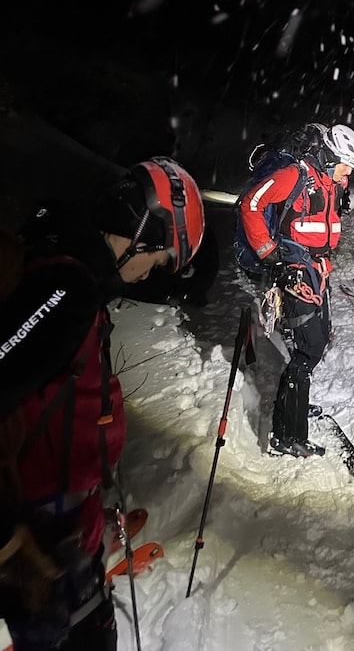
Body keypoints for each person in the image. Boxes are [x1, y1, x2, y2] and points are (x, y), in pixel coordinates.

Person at [0, 156, 205, 651]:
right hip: (41, 551)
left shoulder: (65, 271)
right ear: (141, 233)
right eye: (154, 262)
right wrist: (9, 540)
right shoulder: (65, 289)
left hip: (65, 536)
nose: (143, 277)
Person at [239, 123, 354, 458]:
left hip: (317, 269)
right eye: (344, 164)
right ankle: (286, 436)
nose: (347, 173)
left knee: (318, 341)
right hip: (296, 268)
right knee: (308, 349)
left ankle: (293, 407)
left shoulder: (332, 182)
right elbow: (251, 204)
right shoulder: (295, 176)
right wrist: (268, 252)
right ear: (328, 156)